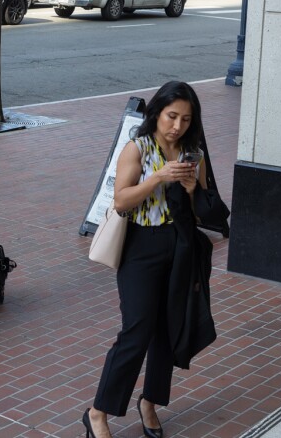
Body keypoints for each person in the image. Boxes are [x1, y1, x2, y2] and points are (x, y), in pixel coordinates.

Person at [82, 81, 216, 438]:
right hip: (142, 246)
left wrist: (191, 191)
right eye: (172, 116)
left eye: (186, 119)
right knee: (136, 330)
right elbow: (122, 201)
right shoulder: (138, 148)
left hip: (180, 245)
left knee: (168, 330)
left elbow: (203, 213)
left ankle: (150, 402)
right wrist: (158, 177)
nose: (177, 126)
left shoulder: (194, 153)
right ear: (157, 112)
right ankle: (98, 412)